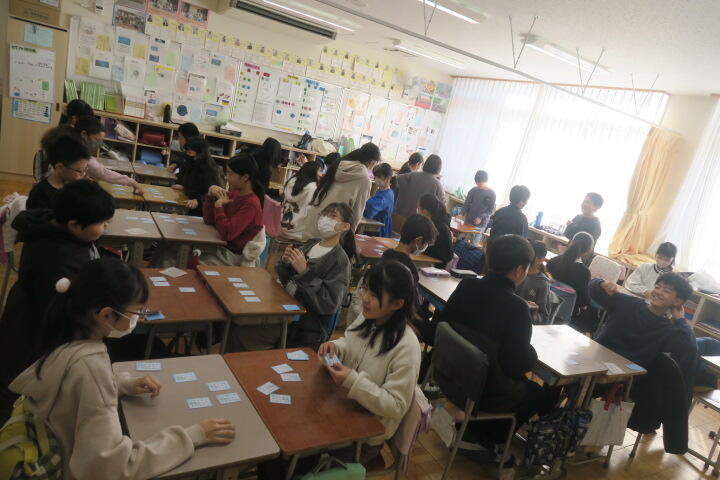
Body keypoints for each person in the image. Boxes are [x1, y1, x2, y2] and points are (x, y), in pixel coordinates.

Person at [8, 258, 235, 478]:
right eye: (137, 312)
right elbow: (113, 468)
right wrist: (192, 436)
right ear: (106, 314)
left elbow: (73, 393)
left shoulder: (63, 332)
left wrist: (121, 384)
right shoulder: (91, 367)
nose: (139, 318)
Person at [0, 180, 115, 421]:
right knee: (17, 390)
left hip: (28, 313)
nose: (106, 227)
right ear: (74, 224)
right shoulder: (59, 258)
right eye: (102, 223)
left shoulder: (53, 227)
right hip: (35, 331)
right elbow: (68, 309)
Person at [437, 234, 555, 462]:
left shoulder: (467, 285)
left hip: (448, 375)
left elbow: (444, 323)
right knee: (535, 392)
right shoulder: (517, 308)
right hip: (481, 390)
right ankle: (484, 440)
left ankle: (472, 429)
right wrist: (531, 353)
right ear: (519, 270)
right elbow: (515, 366)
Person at [318, 260, 421, 465]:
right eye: (365, 289)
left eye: (374, 295)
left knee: (298, 458)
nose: (365, 298)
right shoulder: (368, 318)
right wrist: (336, 347)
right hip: (344, 408)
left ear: (397, 304)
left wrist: (353, 381)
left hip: (365, 439)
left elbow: (396, 406)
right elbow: (351, 342)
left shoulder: (406, 346)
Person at [591, 273, 697, 390]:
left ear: (677, 301)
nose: (658, 292)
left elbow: (690, 347)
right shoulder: (628, 303)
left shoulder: (668, 330)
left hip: (622, 379)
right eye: (657, 287)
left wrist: (681, 320)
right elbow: (593, 291)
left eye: (666, 291)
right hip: (596, 360)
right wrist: (601, 283)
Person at [276, 203, 355, 350]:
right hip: (285, 315)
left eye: (332, 216)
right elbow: (288, 280)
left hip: (306, 331)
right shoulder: (310, 244)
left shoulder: (340, 261)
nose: (325, 219)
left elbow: (329, 304)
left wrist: (305, 272)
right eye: (324, 214)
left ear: (345, 226)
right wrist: (286, 263)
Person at [303, 143, 380, 241]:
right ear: (372, 161)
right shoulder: (364, 178)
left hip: (312, 225)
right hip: (330, 231)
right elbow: (357, 213)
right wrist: (349, 238)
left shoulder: (338, 164)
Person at [202, 155, 264, 265]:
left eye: (230, 174)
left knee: (189, 260)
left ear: (245, 177)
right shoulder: (235, 194)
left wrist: (218, 206)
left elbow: (227, 234)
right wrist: (210, 194)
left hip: (233, 256)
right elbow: (209, 220)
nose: (226, 177)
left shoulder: (251, 204)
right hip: (221, 247)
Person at [74, 115, 144, 195]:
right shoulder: (79, 155)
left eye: (101, 140)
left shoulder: (76, 146)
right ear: (84, 134)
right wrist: (132, 182)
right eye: (97, 139)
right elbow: (103, 173)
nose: (99, 144)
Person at [27, 129, 90, 210]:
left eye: (85, 169)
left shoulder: (73, 186)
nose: (84, 174)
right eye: (80, 171)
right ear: (60, 167)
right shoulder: (40, 194)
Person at [547, 232, 594, 328]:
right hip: (565, 315)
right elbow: (583, 301)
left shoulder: (554, 261)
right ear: (588, 250)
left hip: (545, 304)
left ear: (571, 243)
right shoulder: (584, 273)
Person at [172, 136, 223, 216]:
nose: (186, 155)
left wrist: (198, 200)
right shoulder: (191, 164)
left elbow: (212, 194)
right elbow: (194, 186)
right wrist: (185, 187)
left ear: (200, 154)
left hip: (203, 211)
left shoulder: (208, 170)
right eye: (186, 151)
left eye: (190, 152)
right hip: (190, 203)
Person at [381, 213, 438, 284]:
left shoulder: (386, 254)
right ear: (418, 240)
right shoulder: (410, 270)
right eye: (426, 243)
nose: (426, 246)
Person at [394, 154, 445, 218]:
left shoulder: (411, 175)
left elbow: (397, 180)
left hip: (398, 216)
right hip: (417, 221)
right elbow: (442, 205)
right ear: (438, 169)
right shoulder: (437, 184)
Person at [280, 161, 321, 240]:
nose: (321, 174)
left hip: (282, 225)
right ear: (312, 172)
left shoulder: (291, 181)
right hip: (297, 231)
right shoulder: (312, 188)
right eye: (319, 171)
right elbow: (308, 210)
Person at [517, 241, 553, 324]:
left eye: (530, 257)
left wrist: (531, 314)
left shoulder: (543, 283)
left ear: (541, 260)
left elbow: (544, 318)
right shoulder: (516, 271)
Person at [418, 194, 453, 268]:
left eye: (418, 208)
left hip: (434, 266)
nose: (417, 211)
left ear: (424, 212)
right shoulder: (435, 222)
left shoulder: (438, 227)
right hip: (429, 261)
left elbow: (445, 256)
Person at [364, 162, 395, 237]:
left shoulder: (387, 195)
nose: (375, 179)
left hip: (379, 229)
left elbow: (371, 205)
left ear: (388, 178)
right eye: (375, 176)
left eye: (379, 177)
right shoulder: (383, 191)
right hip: (375, 225)